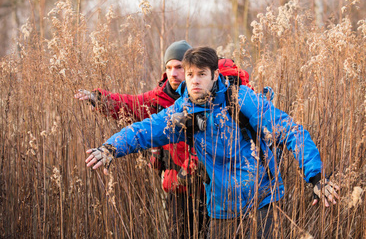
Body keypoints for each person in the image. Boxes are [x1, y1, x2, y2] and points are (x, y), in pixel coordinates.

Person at [85, 46, 339, 238]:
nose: (195, 80)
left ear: (215, 75)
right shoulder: (181, 110)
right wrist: (110, 148)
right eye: (191, 74)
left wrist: (316, 177)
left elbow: (289, 130)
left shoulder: (239, 98)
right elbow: (143, 131)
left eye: (202, 74)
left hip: (262, 200)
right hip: (221, 208)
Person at [76, 40, 207, 238]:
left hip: (208, 189)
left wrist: (184, 175)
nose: (173, 73)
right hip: (178, 192)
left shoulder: (205, 98)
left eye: (179, 67)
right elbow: (131, 105)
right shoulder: (160, 98)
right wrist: (100, 99)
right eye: (169, 67)